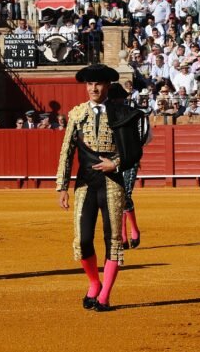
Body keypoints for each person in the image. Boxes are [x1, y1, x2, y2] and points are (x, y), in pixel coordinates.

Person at [56, 64, 148, 312]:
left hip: (112, 184)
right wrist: (62, 186)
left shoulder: (121, 113)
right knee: (83, 240)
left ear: (107, 85)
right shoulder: (77, 114)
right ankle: (94, 283)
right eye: (89, 84)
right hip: (85, 184)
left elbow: (134, 151)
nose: (93, 88)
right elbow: (66, 151)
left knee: (114, 240)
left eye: (98, 83)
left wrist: (115, 163)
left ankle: (104, 296)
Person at [107, 83, 151, 250]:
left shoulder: (134, 114)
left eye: (117, 98)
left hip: (130, 159)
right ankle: (125, 234)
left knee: (125, 195)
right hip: (112, 160)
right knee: (117, 196)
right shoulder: (108, 114)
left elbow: (145, 137)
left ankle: (130, 232)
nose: (115, 101)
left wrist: (133, 148)